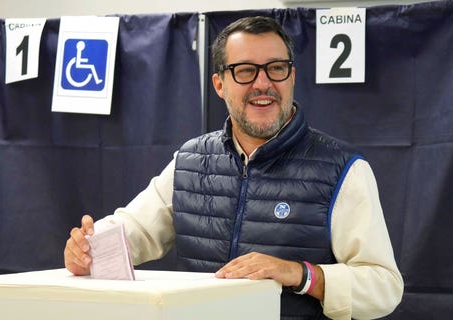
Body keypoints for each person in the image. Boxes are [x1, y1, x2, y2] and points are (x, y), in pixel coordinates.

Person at [65, 16, 403, 319]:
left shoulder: (343, 169)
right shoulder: (190, 161)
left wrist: (300, 274)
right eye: (245, 71)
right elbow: (132, 231)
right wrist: (87, 250)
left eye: (276, 68)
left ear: (292, 76)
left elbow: (384, 288)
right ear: (219, 85)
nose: (263, 83)